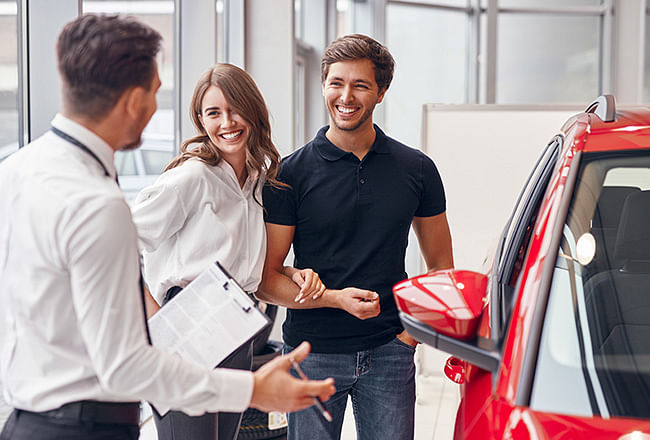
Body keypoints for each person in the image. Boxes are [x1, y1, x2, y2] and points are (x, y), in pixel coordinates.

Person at [0, 14, 334, 440]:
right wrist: (252, 388)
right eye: (157, 93)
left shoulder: (19, 169)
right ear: (133, 101)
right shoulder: (102, 203)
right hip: (85, 419)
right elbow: (127, 362)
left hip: (31, 415)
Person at [259, 34, 454, 440]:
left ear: (381, 92)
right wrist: (333, 298)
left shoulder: (416, 169)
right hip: (310, 354)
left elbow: (440, 269)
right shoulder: (290, 175)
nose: (345, 96)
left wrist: (409, 337)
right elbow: (266, 281)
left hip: (390, 351)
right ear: (324, 86)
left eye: (360, 85)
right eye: (336, 83)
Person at [131, 63, 326, 440]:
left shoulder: (257, 180)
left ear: (253, 111)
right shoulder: (191, 178)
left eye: (235, 109)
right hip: (187, 324)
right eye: (213, 113)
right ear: (201, 121)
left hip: (238, 325)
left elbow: (246, 264)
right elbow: (118, 243)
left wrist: (291, 273)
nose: (227, 122)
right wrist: (156, 321)